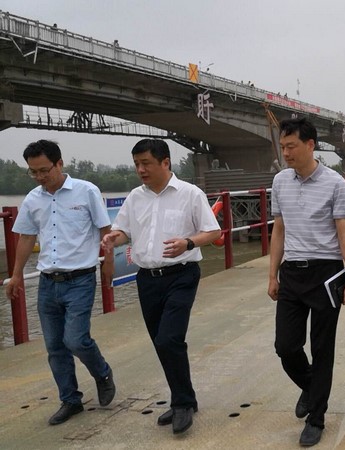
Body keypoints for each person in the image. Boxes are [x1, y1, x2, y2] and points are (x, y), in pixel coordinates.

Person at [102, 139, 221, 434]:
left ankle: (181, 404)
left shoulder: (190, 194)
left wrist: (188, 242)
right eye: (136, 164)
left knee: (169, 338)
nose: (140, 170)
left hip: (182, 275)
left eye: (146, 163)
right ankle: (185, 397)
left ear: (165, 162)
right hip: (147, 279)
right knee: (161, 342)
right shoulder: (135, 197)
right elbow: (124, 231)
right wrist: (113, 238)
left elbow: (213, 231)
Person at [5, 140, 116, 426]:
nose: (40, 177)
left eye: (44, 170)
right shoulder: (32, 199)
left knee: (76, 340)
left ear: (59, 164)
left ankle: (102, 373)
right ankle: (70, 400)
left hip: (80, 279)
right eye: (33, 172)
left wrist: (109, 263)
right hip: (47, 282)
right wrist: (16, 274)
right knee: (55, 346)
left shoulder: (86, 191)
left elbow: (105, 229)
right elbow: (26, 237)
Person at [267, 118, 345, 447]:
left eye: (291, 146)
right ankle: (310, 387)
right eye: (283, 146)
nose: (286, 152)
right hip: (292, 272)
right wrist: (272, 274)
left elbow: (344, 235)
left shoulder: (335, 184)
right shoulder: (280, 181)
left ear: (310, 145)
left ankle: (316, 417)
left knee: (322, 349)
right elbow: (279, 229)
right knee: (286, 346)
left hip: (326, 273)